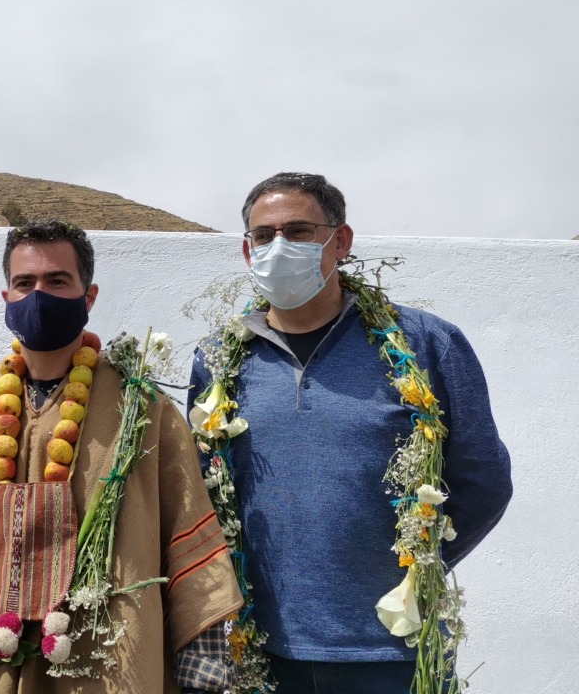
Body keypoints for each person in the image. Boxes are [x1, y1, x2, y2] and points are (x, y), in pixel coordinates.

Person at [0, 220, 242, 694]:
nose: (38, 295)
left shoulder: (142, 409)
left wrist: (206, 678)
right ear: (6, 296)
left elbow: (190, 538)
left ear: (88, 297)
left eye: (57, 281)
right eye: (24, 283)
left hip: (106, 661)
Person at [188, 172, 513, 691]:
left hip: (391, 650)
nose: (279, 246)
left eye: (298, 231)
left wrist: (417, 563)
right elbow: (205, 492)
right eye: (264, 236)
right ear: (248, 253)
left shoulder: (425, 344)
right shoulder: (219, 361)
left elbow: (484, 480)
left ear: (340, 241)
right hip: (262, 649)